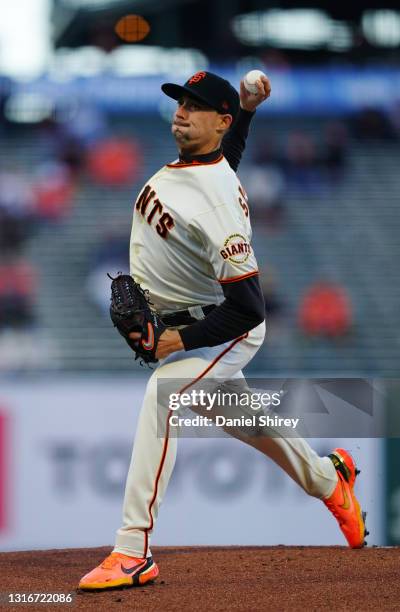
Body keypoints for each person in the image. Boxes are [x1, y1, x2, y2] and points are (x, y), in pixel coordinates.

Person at [79, 71, 367, 591]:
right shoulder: (205, 165)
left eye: (197, 105)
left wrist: (175, 341)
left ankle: (132, 549)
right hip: (190, 317)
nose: (182, 111)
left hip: (220, 327)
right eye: (181, 101)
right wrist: (249, 113)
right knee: (248, 421)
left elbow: (250, 309)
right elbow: (223, 162)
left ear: (220, 120)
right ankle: (331, 479)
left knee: (163, 394)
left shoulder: (217, 206)